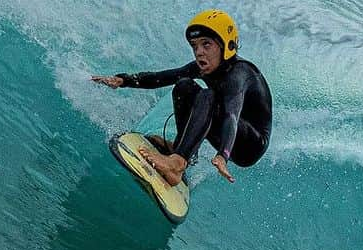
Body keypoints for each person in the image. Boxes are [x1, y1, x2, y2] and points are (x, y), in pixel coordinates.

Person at [91, 9, 272, 187]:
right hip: (228, 131)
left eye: (206, 44)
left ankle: (177, 164)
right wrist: (123, 80)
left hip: (249, 145)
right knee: (183, 86)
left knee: (209, 96)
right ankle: (181, 150)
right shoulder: (205, 66)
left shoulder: (240, 73)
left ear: (227, 45)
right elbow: (163, 77)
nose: (199, 52)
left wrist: (223, 155)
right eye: (195, 46)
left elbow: (231, 115)